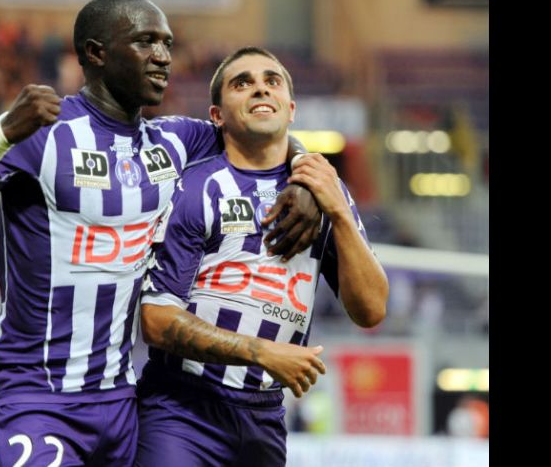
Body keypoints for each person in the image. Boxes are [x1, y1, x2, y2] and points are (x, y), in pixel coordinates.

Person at [0, 0, 320, 467]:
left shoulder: (175, 141)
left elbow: (257, 131)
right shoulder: (42, 132)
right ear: (96, 53)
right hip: (34, 394)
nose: (163, 56)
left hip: (121, 401)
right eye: (146, 42)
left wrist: (304, 173)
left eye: (167, 44)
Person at [135, 47, 389, 467]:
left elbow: (371, 311)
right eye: (242, 83)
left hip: (265, 416)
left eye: (271, 81)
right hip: (181, 408)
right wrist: (261, 352)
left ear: (291, 110)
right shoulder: (196, 188)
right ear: (216, 115)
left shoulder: (326, 190)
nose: (259, 89)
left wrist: (339, 211)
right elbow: (157, 320)